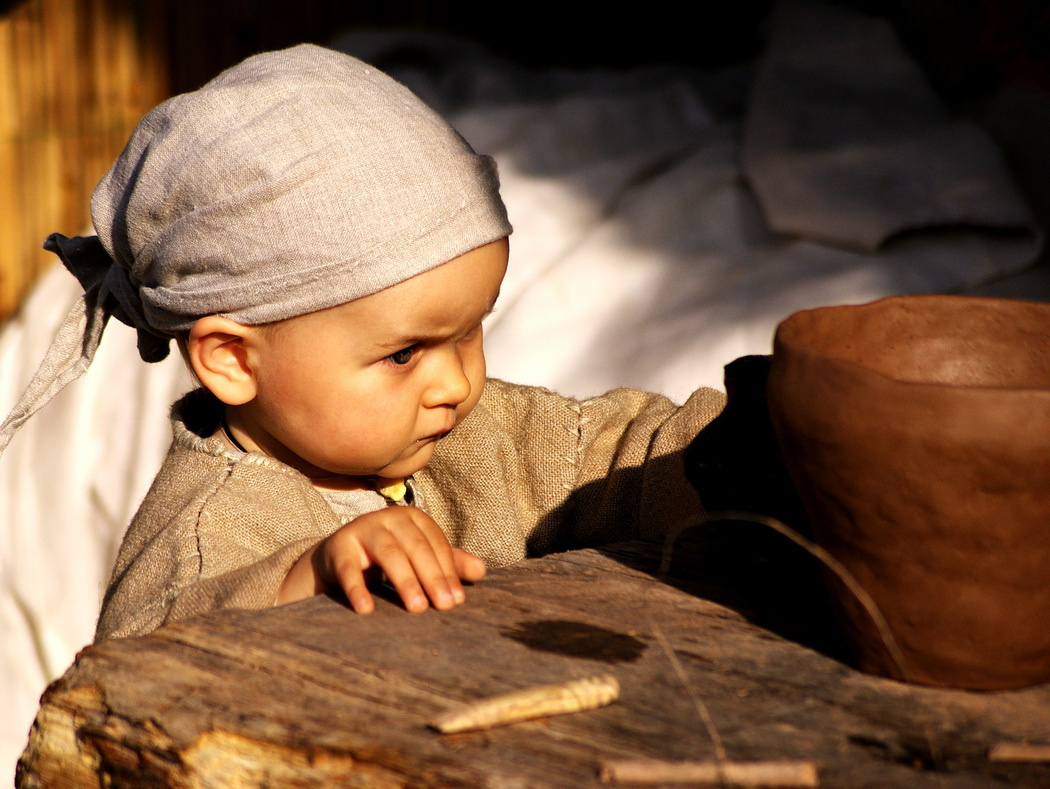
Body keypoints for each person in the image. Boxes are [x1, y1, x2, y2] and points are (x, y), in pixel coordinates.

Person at [0, 44, 725, 641]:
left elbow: (615, 453)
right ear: (233, 359)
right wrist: (308, 577)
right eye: (404, 354)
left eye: (470, 330)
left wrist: (747, 438)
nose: (456, 384)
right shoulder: (205, 530)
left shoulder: (480, 439)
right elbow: (152, 663)